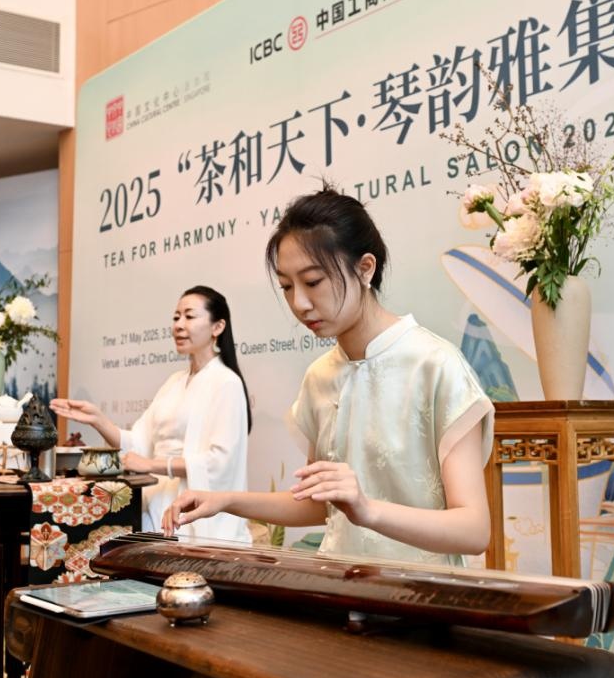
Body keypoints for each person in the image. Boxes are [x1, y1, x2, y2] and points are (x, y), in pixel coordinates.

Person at [163, 187, 494, 566]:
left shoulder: (435, 365)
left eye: (313, 281)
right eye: (287, 286)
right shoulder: (320, 376)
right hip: (337, 586)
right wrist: (225, 500)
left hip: (421, 593)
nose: (299, 303)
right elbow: (320, 506)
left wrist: (368, 509)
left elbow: (474, 530)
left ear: (365, 268)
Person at [50, 286, 252, 544]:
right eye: (176, 317)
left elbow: (220, 463)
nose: (179, 325)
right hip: (155, 506)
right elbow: (136, 444)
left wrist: (153, 465)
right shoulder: (174, 382)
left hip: (193, 516)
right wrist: (98, 420)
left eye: (189, 316)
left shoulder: (226, 382)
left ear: (218, 327)